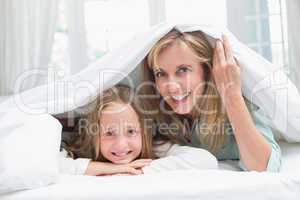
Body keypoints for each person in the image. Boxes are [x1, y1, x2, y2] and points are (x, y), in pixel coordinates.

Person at [139, 28, 281, 172]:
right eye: (160, 73)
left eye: (183, 70)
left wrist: (232, 96)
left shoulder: (233, 107)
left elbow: (265, 168)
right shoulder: (155, 115)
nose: (172, 88)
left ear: (206, 71)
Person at [59, 84, 218, 176]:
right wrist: (110, 169)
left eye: (131, 132)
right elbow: (48, 166)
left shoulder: (154, 147)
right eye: (109, 133)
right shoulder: (81, 150)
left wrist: (139, 170)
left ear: (144, 132)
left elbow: (206, 160)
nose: (121, 145)